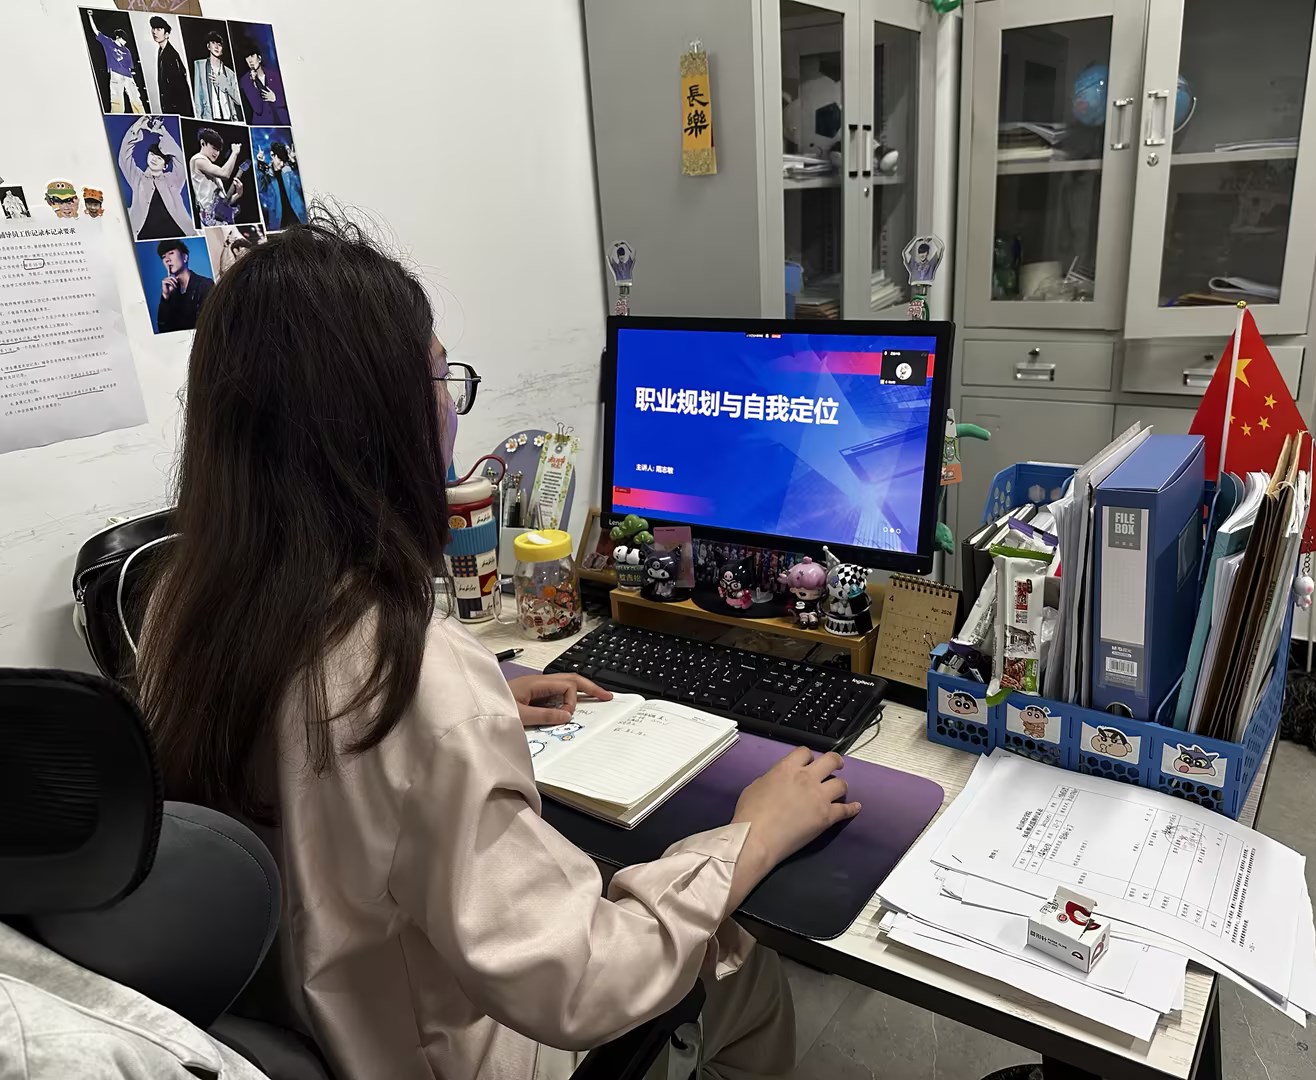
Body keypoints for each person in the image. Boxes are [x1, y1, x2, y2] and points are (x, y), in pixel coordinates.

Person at [137, 219, 858, 1080]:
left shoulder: (182, 607)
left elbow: (315, 760)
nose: (450, 405)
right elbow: (585, 982)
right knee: (744, 965)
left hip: (308, 1021)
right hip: (442, 1054)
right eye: (441, 376)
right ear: (382, 418)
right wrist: (749, 837)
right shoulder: (412, 677)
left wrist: (466, 719)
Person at [117, 117, 190, 240]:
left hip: (178, 233)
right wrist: (136, 128)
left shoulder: (173, 179)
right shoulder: (138, 178)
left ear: (165, 166)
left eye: (159, 158)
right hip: (145, 236)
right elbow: (124, 158)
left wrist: (162, 132)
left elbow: (181, 160)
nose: (154, 159)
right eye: (152, 154)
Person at [90, 11, 146, 114]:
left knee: (135, 98)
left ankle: (141, 114)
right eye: (123, 40)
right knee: (116, 99)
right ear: (118, 37)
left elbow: (129, 67)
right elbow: (96, 31)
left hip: (127, 76)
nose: (125, 42)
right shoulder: (109, 43)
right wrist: (90, 17)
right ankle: (117, 114)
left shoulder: (126, 50)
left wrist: (132, 80)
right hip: (116, 73)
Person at [189, 127, 245, 228]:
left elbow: (224, 204)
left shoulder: (212, 171)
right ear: (203, 143)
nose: (217, 153)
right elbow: (225, 174)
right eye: (214, 148)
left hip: (220, 221)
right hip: (210, 221)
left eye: (218, 150)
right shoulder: (197, 160)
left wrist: (238, 194)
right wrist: (235, 153)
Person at [153, 239, 212, 333]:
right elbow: (163, 329)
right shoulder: (170, 291)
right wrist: (165, 297)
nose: (167, 259)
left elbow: (209, 324)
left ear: (185, 257)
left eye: (171, 253)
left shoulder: (205, 284)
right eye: (163, 257)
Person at [191, 29, 243, 121]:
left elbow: (240, 101)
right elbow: (197, 100)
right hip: (209, 119)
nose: (216, 47)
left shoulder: (230, 73)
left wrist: (226, 86)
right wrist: (198, 120)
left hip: (229, 119)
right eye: (213, 43)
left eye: (219, 44)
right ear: (208, 46)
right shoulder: (199, 65)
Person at [239, 37, 290, 125]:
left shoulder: (274, 75)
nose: (250, 60)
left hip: (282, 121)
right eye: (247, 57)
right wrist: (253, 83)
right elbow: (257, 108)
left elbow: (287, 98)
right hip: (263, 123)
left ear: (259, 58)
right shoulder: (245, 81)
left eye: (252, 56)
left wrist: (275, 98)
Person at [149, 16, 192, 116]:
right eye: (153, 28)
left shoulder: (171, 54)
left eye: (158, 29)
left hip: (176, 108)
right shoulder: (161, 50)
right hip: (170, 107)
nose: (154, 32)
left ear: (167, 34)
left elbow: (179, 85)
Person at [257, 141, 304, 231]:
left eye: (284, 160)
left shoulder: (288, 170)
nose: (282, 163)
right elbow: (260, 189)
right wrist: (260, 163)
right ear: (272, 155)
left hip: (297, 217)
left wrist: (294, 162)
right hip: (279, 220)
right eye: (280, 159)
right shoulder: (267, 174)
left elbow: (299, 185)